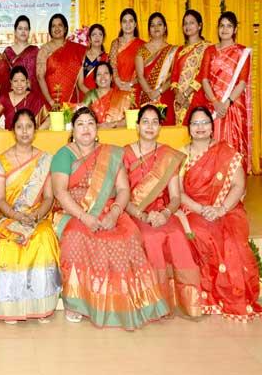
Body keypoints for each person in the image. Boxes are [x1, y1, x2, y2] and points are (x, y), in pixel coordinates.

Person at [51, 106, 169, 329]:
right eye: (80, 124)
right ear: (73, 130)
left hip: (110, 210)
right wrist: (85, 217)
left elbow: (123, 190)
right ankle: (77, 303)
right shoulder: (63, 154)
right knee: (76, 238)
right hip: (75, 211)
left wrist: (115, 213)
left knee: (128, 236)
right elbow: (60, 192)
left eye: (90, 123)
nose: (86, 128)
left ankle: (125, 299)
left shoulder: (112, 154)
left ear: (97, 129)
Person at [179, 106, 261, 320]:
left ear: (212, 126)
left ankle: (234, 294)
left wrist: (220, 209)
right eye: (195, 123)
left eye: (204, 122)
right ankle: (208, 294)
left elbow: (238, 186)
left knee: (231, 236)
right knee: (198, 231)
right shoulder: (180, 155)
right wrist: (200, 209)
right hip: (193, 208)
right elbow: (177, 192)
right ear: (188, 128)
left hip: (226, 208)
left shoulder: (227, 153)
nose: (200, 128)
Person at [122, 105, 202, 317]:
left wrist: (165, 214)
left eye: (154, 122)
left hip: (162, 210)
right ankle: (155, 301)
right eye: (145, 122)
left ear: (160, 127)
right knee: (150, 237)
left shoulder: (168, 154)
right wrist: (142, 215)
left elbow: (175, 197)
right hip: (134, 211)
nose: (149, 126)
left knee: (176, 234)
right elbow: (121, 195)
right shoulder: (125, 154)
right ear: (137, 126)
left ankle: (187, 301)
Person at [0, 109, 61, 323]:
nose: (24, 131)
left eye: (29, 126)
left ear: (35, 130)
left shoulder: (46, 160)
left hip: (37, 216)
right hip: (10, 217)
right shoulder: (1, 162)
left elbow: (48, 197)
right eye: (19, 127)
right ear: (13, 130)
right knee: (10, 244)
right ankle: (12, 306)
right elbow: (1, 200)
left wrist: (37, 215)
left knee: (43, 238)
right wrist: (17, 217)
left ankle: (41, 304)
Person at [185, 11, 252, 173]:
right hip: (212, 105)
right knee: (210, 142)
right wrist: (215, 102)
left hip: (233, 107)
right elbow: (204, 79)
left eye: (229, 26)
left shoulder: (242, 53)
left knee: (232, 143)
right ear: (217, 28)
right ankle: (210, 183)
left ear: (235, 29)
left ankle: (234, 182)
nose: (225, 29)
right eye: (222, 25)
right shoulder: (210, 51)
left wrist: (226, 103)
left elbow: (242, 82)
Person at [134, 12, 177, 125]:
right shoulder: (141, 50)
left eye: (159, 24)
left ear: (165, 28)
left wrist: (159, 91)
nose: (156, 28)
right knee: (148, 128)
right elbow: (140, 75)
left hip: (165, 95)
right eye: (152, 25)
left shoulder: (173, 50)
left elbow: (173, 75)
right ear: (149, 30)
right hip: (146, 96)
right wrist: (150, 93)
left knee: (166, 130)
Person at [170, 10, 211, 125]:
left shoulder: (207, 48)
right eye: (185, 23)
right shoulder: (180, 50)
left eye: (191, 23)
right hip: (179, 100)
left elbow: (203, 74)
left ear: (199, 25)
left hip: (198, 97)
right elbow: (174, 76)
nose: (188, 26)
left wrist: (186, 94)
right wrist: (178, 94)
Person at [37, 13, 87, 106]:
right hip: (49, 102)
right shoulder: (44, 50)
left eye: (60, 25)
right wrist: (51, 101)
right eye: (53, 26)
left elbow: (80, 83)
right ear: (50, 30)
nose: (56, 28)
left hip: (71, 101)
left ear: (65, 28)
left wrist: (94, 94)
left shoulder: (76, 50)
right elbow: (40, 77)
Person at [0, 66, 48, 130]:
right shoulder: (5, 98)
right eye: (15, 81)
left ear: (27, 82)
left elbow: (48, 120)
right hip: (10, 139)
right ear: (11, 83)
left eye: (22, 80)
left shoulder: (35, 98)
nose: (19, 84)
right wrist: (5, 133)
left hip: (31, 137)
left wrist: (36, 133)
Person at [82, 62, 132, 128]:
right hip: (96, 134)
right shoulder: (90, 95)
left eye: (106, 73)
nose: (103, 77)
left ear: (111, 77)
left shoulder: (122, 96)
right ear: (95, 80)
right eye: (99, 74)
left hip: (117, 134)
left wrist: (111, 125)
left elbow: (130, 120)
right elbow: (82, 116)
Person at [109, 8, 145, 93]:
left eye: (131, 21)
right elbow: (112, 66)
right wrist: (118, 82)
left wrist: (130, 84)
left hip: (135, 88)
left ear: (135, 24)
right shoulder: (115, 43)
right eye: (124, 21)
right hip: (117, 87)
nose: (128, 24)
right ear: (121, 24)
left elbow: (145, 71)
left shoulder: (143, 45)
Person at [4, 15, 40, 96]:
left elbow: (39, 76)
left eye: (26, 29)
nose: (23, 31)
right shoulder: (8, 52)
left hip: (32, 94)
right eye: (20, 29)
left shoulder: (35, 51)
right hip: (13, 96)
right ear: (15, 31)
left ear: (29, 31)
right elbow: (3, 77)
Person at [76, 24, 109, 98]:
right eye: (94, 34)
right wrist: (93, 96)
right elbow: (80, 84)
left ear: (103, 38)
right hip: (85, 98)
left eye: (100, 34)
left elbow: (109, 82)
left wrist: (100, 97)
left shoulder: (107, 58)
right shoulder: (82, 57)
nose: (97, 37)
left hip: (102, 98)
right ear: (89, 39)